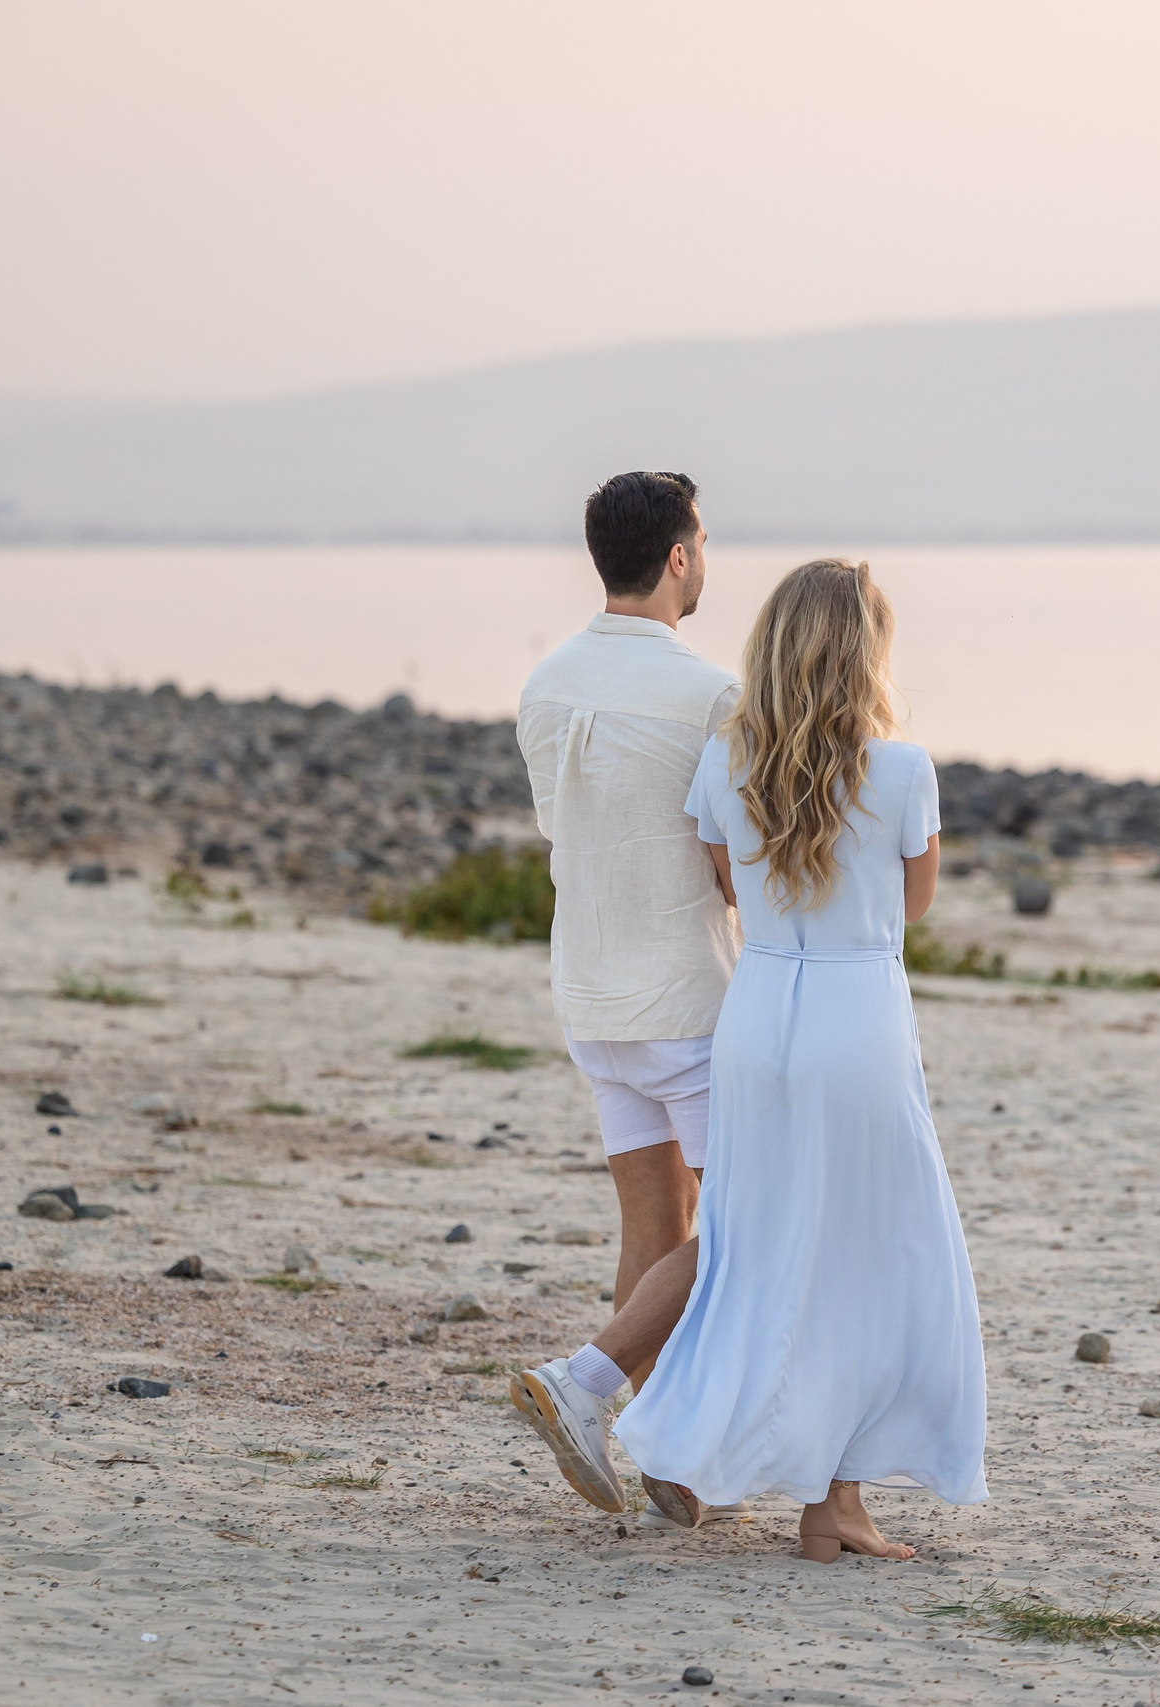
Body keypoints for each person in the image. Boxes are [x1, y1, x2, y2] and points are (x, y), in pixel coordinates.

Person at [612, 558, 989, 1562]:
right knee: (872, 1257)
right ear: (866, 652)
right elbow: (913, 904)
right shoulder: (902, 770)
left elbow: (730, 887)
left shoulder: (727, 762)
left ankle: (746, 1464)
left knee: (761, 1246)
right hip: (857, 1018)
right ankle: (833, 1504)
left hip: (760, 1016)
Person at [507, 471, 744, 1519]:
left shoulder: (546, 683)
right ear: (679, 557)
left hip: (590, 993)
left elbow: (563, 829)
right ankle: (586, 1380)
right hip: (685, 999)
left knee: (653, 1233)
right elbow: (732, 864)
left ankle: (668, 1467)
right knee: (743, 1231)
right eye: (705, 543)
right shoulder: (711, 695)